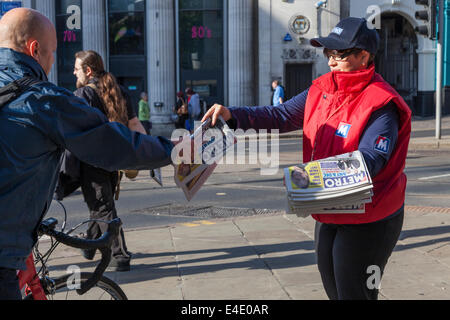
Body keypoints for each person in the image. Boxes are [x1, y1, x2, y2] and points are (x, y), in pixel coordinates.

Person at [202, 17, 412, 300]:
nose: (331, 62)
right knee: (332, 285)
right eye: (328, 54)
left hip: (370, 214)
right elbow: (281, 115)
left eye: (339, 55)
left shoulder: (381, 102)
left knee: (355, 291)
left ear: (364, 56)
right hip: (330, 203)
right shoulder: (322, 89)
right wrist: (233, 114)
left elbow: (372, 158)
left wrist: (312, 180)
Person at [0, 8, 173, 300]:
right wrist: (177, 150)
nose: (55, 63)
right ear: (34, 49)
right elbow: (116, 144)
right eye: (53, 52)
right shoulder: (42, 100)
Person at [72, 50, 148, 272]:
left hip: (92, 162)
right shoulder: (120, 91)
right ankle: (89, 243)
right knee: (100, 204)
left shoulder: (83, 94)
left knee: (103, 207)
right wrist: (146, 151)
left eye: (77, 68)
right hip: (115, 161)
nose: (73, 72)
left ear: (88, 71)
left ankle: (120, 255)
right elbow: (134, 125)